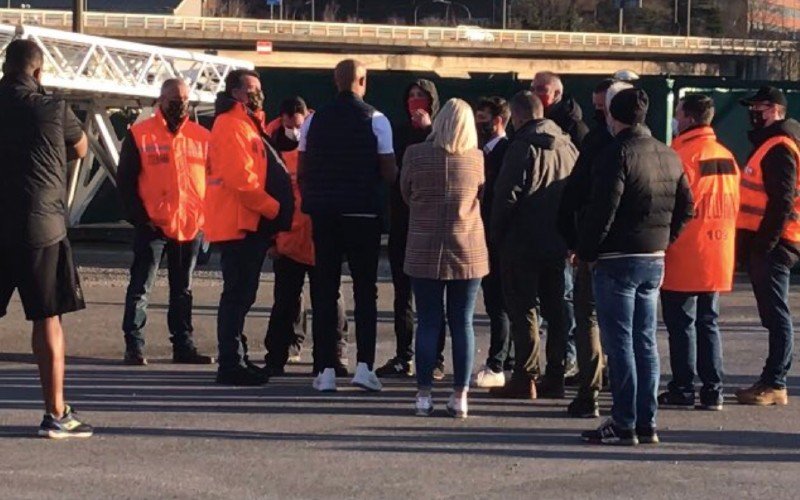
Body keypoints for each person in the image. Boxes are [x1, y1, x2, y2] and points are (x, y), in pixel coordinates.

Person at [578, 87, 694, 446]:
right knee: (645, 341)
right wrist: (664, 239)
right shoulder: (669, 154)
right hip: (653, 257)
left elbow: (604, 208)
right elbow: (687, 208)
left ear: (614, 117)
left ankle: (624, 421)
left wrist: (587, 249)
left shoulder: (617, 153)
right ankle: (647, 421)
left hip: (618, 258)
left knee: (620, 343)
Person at [0, 39, 93, 438]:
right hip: (42, 228)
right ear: (38, 72)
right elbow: (82, 147)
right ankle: (56, 413)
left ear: (5, 68)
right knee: (47, 319)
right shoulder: (53, 108)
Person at [299, 59, 397, 392]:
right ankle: (365, 366)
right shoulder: (377, 119)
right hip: (362, 213)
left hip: (324, 213)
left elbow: (303, 168)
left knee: (324, 290)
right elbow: (388, 171)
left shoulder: (313, 120)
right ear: (363, 80)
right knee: (364, 290)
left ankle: (325, 368)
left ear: (334, 80)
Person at [116, 78, 214, 366]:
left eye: (185, 98)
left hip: (189, 225)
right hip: (154, 225)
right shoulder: (140, 135)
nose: (180, 103)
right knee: (141, 286)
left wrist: (205, 220)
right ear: (161, 100)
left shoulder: (201, 137)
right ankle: (134, 345)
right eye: (174, 98)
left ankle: (183, 345)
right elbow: (125, 183)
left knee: (182, 289)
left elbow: (212, 179)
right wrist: (140, 219)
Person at [401, 98, 489, 418]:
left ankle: (424, 394)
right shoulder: (477, 159)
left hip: (424, 244)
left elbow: (405, 192)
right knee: (462, 322)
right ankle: (460, 395)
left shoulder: (416, 154)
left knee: (428, 321)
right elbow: (481, 195)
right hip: (467, 248)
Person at [205, 69, 293, 386]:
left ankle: (236, 358)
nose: (259, 94)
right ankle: (230, 363)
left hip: (246, 222)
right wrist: (274, 208)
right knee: (237, 296)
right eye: (253, 89)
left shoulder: (246, 125)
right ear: (236, 92)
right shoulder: (232, 125)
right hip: (238, 224)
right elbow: (241, 180)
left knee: (242, 295)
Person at [489, 91, 578, 401]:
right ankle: (555, 375)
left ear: (518, 117)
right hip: (558, 241)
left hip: (522, 241)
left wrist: (496, 235)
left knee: (524, 308)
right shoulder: (568, 145)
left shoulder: (521, 146)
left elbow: (506, 195)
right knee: (557, 311)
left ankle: (526, 375)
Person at [658, 94, 740, 412]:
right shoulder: (726, 156)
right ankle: (713, 390)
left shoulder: (681, 156)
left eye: (678, 115)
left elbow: (673, 206)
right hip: (719, 250)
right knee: (708, 323)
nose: (675, 120)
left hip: (686, 251)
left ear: (689, 118)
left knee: (681, 326)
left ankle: (683, 387)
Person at [262, 96, 349, 376]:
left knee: (329, 301)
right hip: (291, 238)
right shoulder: (270, 144)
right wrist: (271, 240)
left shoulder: (319, 137)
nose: (294, 130)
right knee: (288, 301)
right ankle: (278, 356)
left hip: (317, 235)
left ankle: (330, 358)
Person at [557, 78, 621, 418]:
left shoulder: (596, 144)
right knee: (630, 325)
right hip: (640, 251)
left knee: (590, 318)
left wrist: (578, 243)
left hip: (598, 249)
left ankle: (591, 390)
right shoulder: (656, 149)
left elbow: (578, 198)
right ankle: (630, 395)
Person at [376, 79, 447, 380]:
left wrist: (429, 129)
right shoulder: (398, 132)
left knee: (433, 296)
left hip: (432, 224)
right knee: (402, 294)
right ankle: (403, 354)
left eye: (422, 97)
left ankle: (435, 358)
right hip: (403, 222)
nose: (416, 102)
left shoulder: (442, 134)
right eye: (412, 96)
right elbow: (392, 175)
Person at [735, 86, 800, 406]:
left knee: (776, 315)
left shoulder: (778, 146)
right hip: (775, 240)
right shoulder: (776, 142)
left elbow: (782, 201)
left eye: (758, 107)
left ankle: (775, 382)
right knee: (773, 314)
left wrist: (764, 244)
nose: (753, 113)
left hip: (776, 242)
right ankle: (773, 380)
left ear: (774, 109)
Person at [531, 70, 588, 375]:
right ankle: (557, 357)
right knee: (548, 299)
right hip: (542, 226)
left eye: (542, 89)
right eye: (533, 88)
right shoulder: (532, 125)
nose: (537, 93)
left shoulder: (574, 129)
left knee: (564, 297)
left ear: (556, 94)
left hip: (562, 227)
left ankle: (568, 356)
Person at [473, 96, 513, 389]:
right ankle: (505, 356)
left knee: (500, 302)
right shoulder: (479, 152)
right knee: (496, 302)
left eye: (483, 118)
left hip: (498, 237)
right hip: (486, 235)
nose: (478, 123)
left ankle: (498, 360)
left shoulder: (506, 153)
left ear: (498, 121)